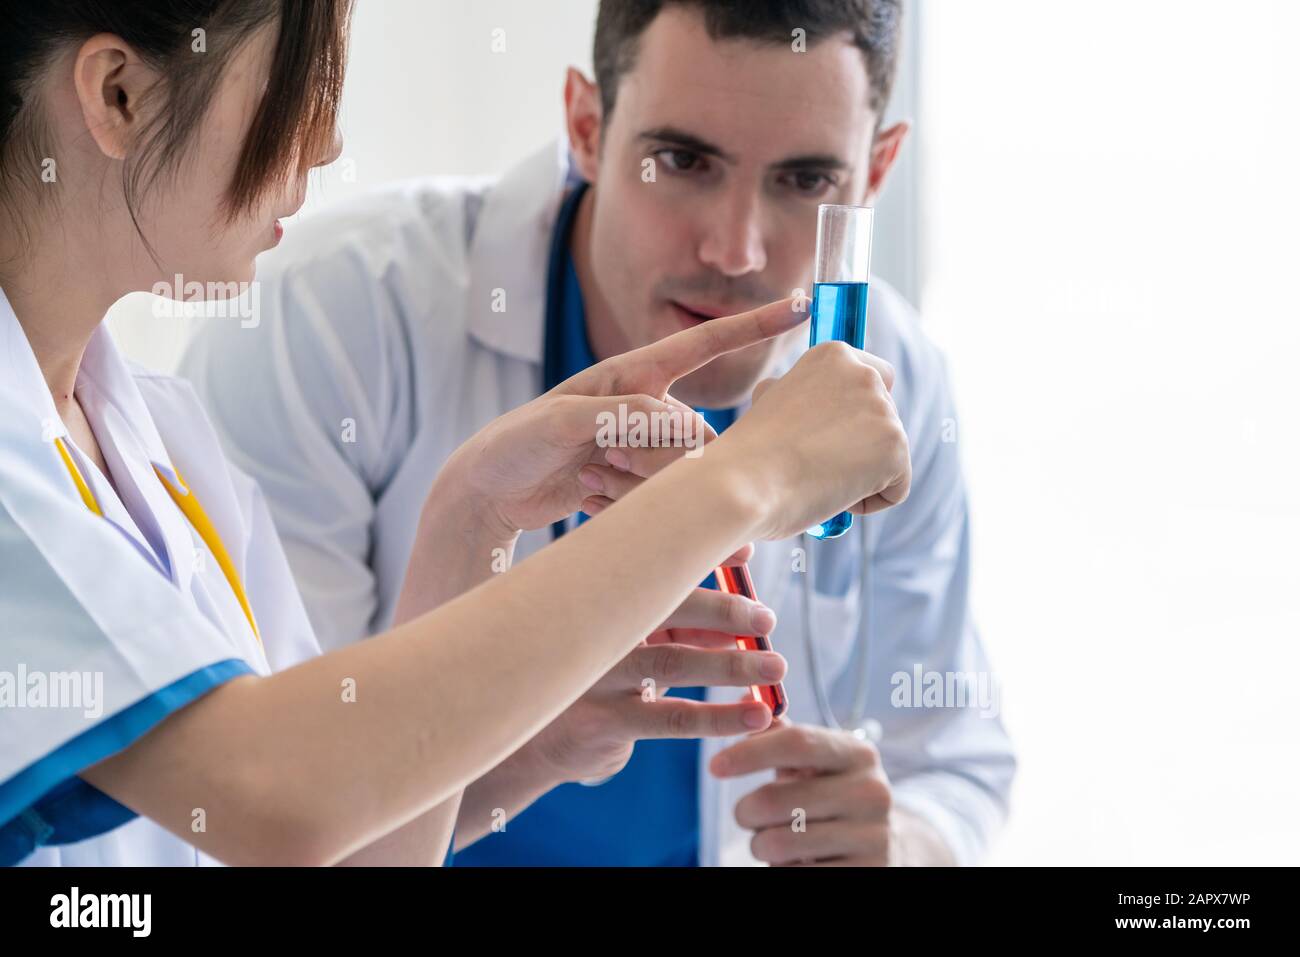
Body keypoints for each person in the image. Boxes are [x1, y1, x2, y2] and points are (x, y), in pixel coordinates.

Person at [0, 0, 911, 866]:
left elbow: (342, 845)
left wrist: (470, 521)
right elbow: (273, 791)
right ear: (119, 92)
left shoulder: (156, 434)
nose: (326, 140)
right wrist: (748, 478)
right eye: (293, 77)